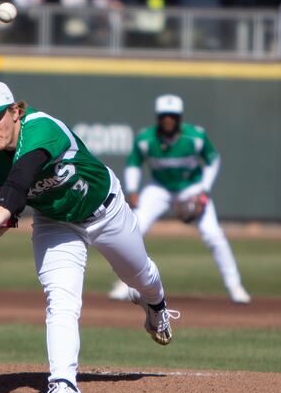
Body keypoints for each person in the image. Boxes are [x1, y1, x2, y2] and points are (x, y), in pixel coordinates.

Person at [0, 80, 179, 393]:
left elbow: (21, 178)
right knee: (60, 299)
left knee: (138, 274)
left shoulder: (42, 128)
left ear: (15, 111)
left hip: (106, 211)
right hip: (56, 223)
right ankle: (64, 387)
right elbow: (8, 210)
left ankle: (156, 304)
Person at [107, 94, 252, 304]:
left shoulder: (195, 137)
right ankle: (126, 284)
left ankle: (235, 285)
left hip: (191, 188)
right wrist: (133, 190)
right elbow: (133, 165)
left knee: (213, 235)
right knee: (134, 228)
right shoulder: (146, 139)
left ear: (179, 117)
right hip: (159, 188)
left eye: (172, 116)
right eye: (164, 115)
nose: (168, 120)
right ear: (158, 117)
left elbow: (213, 160)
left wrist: (204, 190)